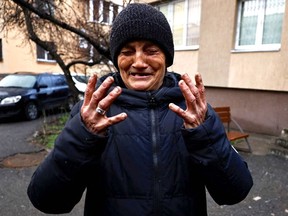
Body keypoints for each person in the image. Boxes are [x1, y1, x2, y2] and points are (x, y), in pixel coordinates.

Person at [27, 3, 253, 216]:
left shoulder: (193, 110)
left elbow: (235, 191)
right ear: (117, 59)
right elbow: (47, 200)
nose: (139, 62)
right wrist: (83, 137)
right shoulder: (93, 113)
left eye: (151, 50)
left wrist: (203, 135)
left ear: (167, 57)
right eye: (127, 51)